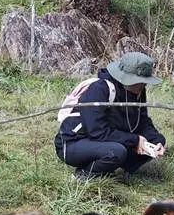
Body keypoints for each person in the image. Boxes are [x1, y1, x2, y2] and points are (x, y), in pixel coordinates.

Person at [54, 51, 166, 181]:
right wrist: (135, 140)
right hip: (73, 142)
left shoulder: (138, 91)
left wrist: (156, 141)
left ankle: (118, 169)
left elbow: (143, 122)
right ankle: (84, 174)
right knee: (116, 151)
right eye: (139, 82)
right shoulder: (100, 88)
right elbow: (97, 131)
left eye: (144, 82)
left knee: (156, 140)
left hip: (105, 140)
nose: (143, 85)